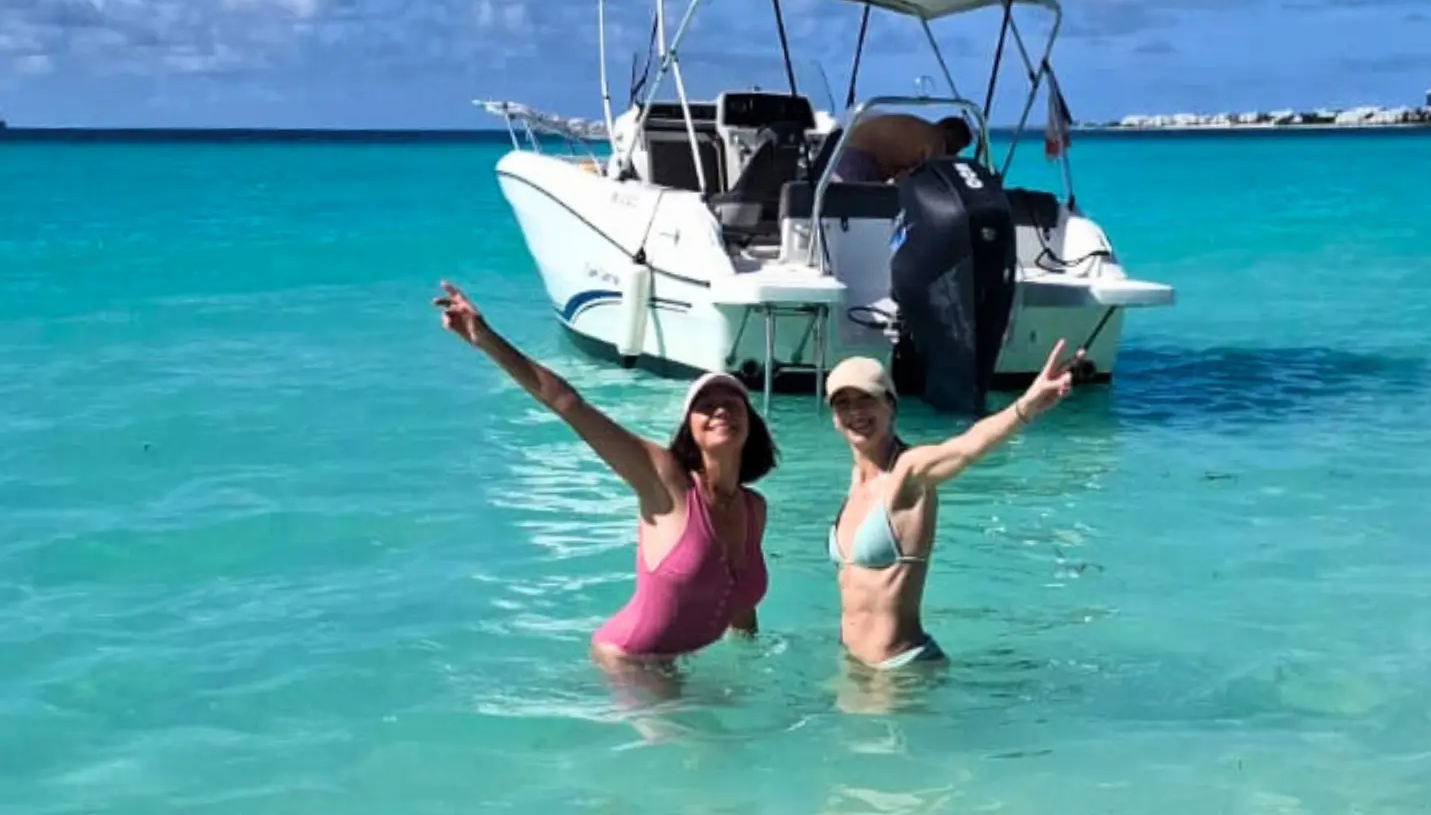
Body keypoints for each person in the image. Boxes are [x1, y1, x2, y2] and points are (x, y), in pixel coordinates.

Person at [434, 281, 776, 675]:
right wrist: (486, 339)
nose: (720, 411)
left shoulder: (754, 509)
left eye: (732, 404)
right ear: (690, 431)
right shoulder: (665, 481)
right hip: (629, 659)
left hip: (676, 661)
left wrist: (752, 669)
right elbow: (567, 404)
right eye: (706, 406)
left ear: (751, 425)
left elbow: (741, 603)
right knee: (708, 740)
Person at [823, 341, 1084, 670]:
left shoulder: (909, 470)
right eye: (843, 403)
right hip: (854, 665)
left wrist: (1026, 406)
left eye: (866, 399)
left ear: (890, 405)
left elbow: (967, 447)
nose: (856, 412)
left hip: (899, 670)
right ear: (833, 418)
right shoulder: (855, 481)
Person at [832, 112, 973, 184]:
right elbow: (931, 178)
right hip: (861, 159)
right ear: (948, 132)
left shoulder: (918, 129)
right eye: (957, 147)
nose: (954, 153)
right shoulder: (936, 140)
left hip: (845, 151)